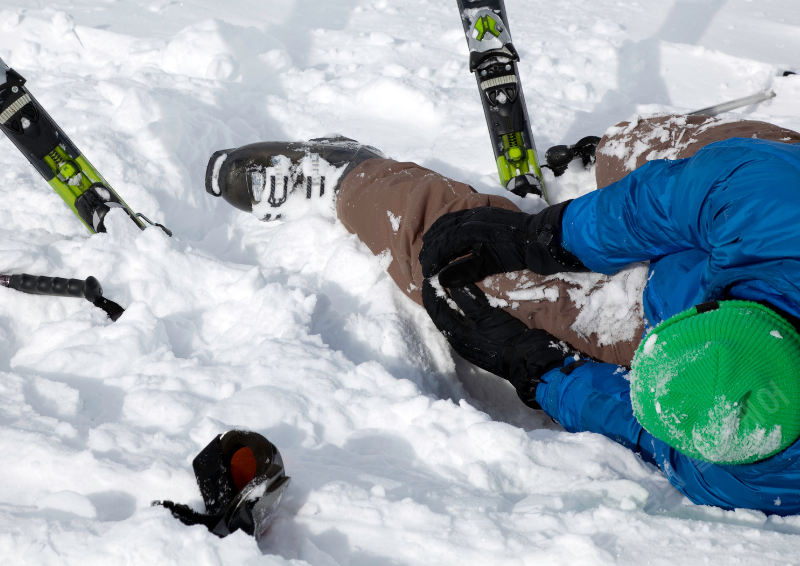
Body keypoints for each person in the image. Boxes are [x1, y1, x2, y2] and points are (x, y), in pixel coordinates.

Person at [206, 114, 800, 515]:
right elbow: (682, 196)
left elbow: (644, 429)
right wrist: (543, 237)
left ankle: (349, 177)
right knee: (640, 157)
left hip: (708, 270)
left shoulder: (752, 469)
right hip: (762, 196)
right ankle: (630, 153)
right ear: (721, 306)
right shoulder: (773, 206)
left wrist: (542, 373)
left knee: (472, 277)